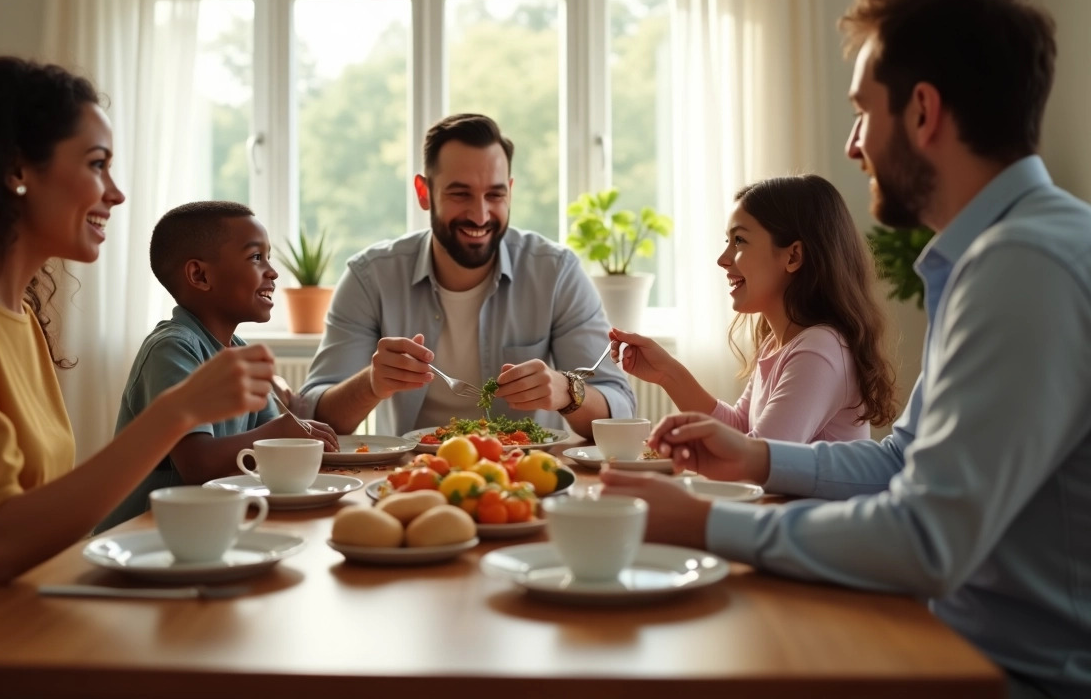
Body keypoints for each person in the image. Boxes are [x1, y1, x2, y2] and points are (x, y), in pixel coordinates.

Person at [600, 0, 1091, 699]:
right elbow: (900, 461)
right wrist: (758, 455)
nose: (853, 145)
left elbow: (926, 539)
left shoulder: (1026, 264)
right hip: (950, 649)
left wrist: (703, 525)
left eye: (864, 111)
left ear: (923, 113)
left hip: (1009, 677)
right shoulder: (1003, 253)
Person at [0, 58, 276, 640]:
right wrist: (179, 410)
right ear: (18, 169)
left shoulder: (23, 320)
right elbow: (1, 542)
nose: (115, 193)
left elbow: (43, 527)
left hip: (19, 623)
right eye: (96, 165)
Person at [301, 112, 635, 438]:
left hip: (530, 477)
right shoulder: (370, 277)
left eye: (495, 194)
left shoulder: (556, 272)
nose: (479, 215)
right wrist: (372, 383)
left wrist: (567, 392)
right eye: (460, 194)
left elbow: (620, 409)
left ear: (510, 191)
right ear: (423, 193)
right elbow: (311, 419)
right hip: (413, 476)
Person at [95, 201, 339, 532]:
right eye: (256, 257)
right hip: (144, 537)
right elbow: (198, 464)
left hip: (208, 530)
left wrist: (293, 437)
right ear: (200, 275)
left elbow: (269, 443)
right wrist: (281, 432)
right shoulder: (173, 348)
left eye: (268, 256)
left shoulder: (240, 354)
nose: (272, 271)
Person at [611, 174, 896, 443]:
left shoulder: (819, 349)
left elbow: (758, 457)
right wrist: (667, 373)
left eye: (739, 241)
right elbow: (740, 429)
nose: (723, 259)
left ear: (793, 255)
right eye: (728, 241)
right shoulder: (778, 343)